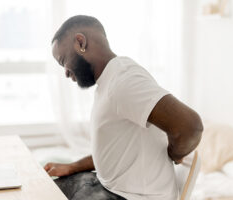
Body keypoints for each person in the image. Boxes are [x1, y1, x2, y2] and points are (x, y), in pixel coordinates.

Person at [44, 15, 203, 200]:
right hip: (110, 187)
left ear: (80, 42)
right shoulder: (110, 80)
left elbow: (191, 127)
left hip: (130, 196)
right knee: (42, 189)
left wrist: (174, 153)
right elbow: (114, 152)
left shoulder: (124, 81)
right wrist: (72, 167)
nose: (65, 72)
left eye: (63, 61)